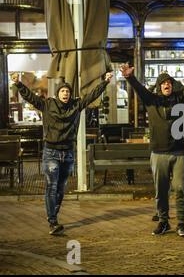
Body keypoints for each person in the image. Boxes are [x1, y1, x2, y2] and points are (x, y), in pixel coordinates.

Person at [14, 73, 111, 235]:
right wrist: (18, 84)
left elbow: (92, 95)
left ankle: (53, 212)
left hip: (68, 152)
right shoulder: (47, 104)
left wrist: (105, 82)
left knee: (61, 188)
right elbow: (30, 97)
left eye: (67, 91)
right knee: (52, 186)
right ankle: (52, 221)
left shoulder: (76, 105)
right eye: (62, 91)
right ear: (57, 94)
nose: (65, 93)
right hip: (51, 151)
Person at [121, 64, 184, 237]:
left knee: (181, 188)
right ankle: (163, 221)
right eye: (163, 83)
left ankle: (181, 223)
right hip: (159, 153)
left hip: (179, 152)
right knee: (161, 190)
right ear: (159, 86)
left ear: (173, 84)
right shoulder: (151, 100)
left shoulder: (181, 99)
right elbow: (139, 89)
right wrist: (130, 78)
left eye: (169, 82)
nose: (166, 84)